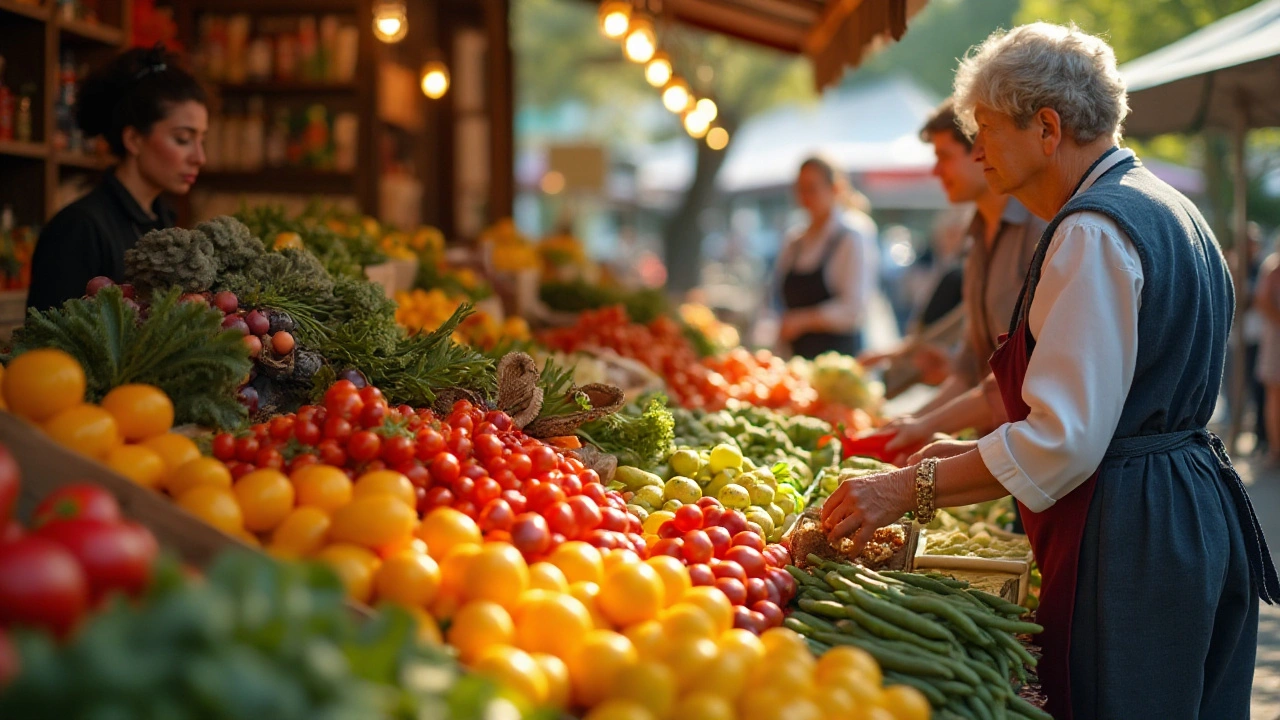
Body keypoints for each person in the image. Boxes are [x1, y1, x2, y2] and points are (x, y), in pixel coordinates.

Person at [821, 23, 1277, 719]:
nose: (978, 152)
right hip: (1188, 508)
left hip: (1133, 530)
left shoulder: (1092, 231)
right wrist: (959, 454)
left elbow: (1064, 439)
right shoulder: (1171, 207)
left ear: (1047, 127)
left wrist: (906, 488)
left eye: (987, 131)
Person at [879, 98, 1046, 459]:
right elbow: (971, 366)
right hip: (996, 451)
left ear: (981, 149)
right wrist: (911, 423)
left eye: (944, 156)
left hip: (1037, 458)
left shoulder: (1040, 229)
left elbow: (1023, 374)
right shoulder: (974, 240)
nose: (936, 172)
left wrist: (923, 425)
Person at [27, 45, 207, 311]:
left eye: (202, 139)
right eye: (183, 139)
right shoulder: (79, 229)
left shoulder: (164, 220)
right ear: (133, 139)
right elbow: (45, 339)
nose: (199, 157)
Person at [775, 156, 879, 359]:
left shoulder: (852, 235)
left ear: (835, 188)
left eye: (812, 188)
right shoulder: (795, 240)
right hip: (796, 360)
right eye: (800, 189)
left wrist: (802, 321)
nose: (805, 197)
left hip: (838, 363)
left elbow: (853, 310)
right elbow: (773, 299)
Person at [1254, 243, 1280, 464]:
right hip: (1276, 340)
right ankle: (1275, 449)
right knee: (1274, 395)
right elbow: (1262, 300)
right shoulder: (1273, 268)